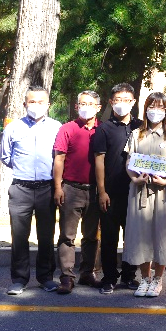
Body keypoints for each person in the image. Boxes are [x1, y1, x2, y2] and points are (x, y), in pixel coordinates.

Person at [1, 86, 62, 295]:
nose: (36, 105)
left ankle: (46, 277)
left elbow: (60, 157)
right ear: (25, 104)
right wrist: (24, 171)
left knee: (46, 236)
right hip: (21, 188)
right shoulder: (13, 128)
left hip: (47, 188)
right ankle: (19, 279)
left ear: (48, 104)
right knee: (19, 236)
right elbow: (6, 156)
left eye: (41, 102)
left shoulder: (57, 127)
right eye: (32, 102)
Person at [124, 92, 166, 297]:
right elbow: (129, 162)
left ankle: (158, 279)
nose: (155, 111)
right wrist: (134, 178)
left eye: (160, 107)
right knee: (141, 234)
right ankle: (145, 278)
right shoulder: (136, 134)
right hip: (140, 191)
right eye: (152, 106)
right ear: (145, 108)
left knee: (162, 234)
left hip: (163, 192)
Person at [92, 83, 142, 294]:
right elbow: (99, 161)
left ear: (133, 102)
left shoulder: (140, 126)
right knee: (109, 238)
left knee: (132, 237)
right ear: (111, 102)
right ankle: (109, 277)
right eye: (118, 100)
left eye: (126, 100)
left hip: (136, 192)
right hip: (111, 193)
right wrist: (102, 191)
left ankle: (129, 275)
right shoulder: (104, 129)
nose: (122, 104)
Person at [53, 90, 103, 294]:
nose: (86, 107)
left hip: (96, 190)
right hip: (71, 189)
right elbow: (59, 159)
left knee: (92, 235)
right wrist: (58, 187)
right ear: (76, 106)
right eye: (82, 103)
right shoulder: (67, 129)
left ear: (98, 108)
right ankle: (67, 276)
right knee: (67, 236)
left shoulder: (103, 129)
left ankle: (88, 273)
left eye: (91, 104)